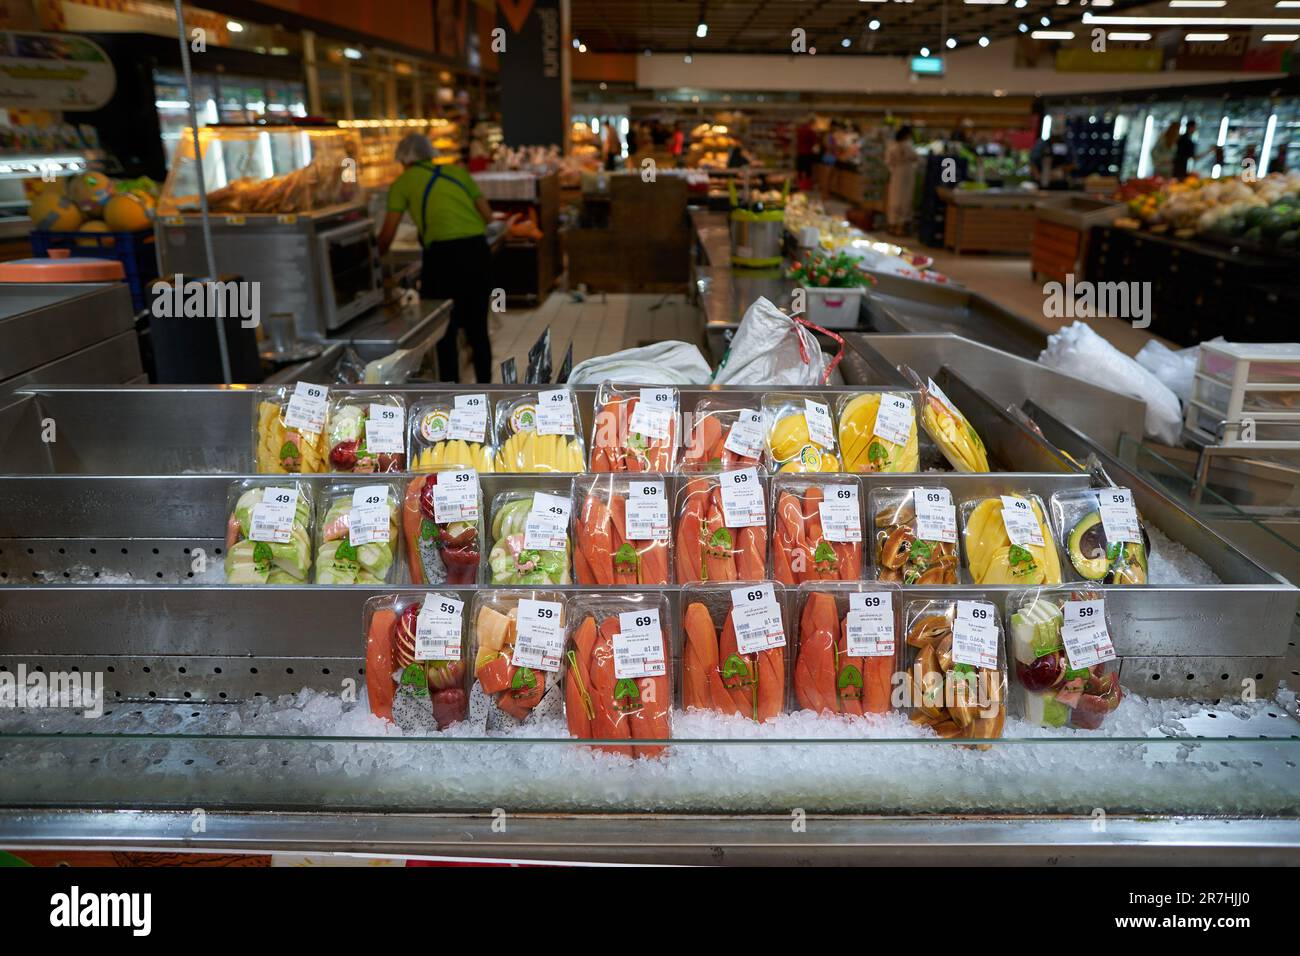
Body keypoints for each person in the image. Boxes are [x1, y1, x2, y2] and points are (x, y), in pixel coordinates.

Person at [377, 133, 494, 383]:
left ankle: (449, 393)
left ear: (403, 159)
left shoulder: (402, 183)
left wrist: (374, 262)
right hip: (476, 251)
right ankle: (486, 389)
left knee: (443, 327)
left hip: (442, 258)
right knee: (478, 327)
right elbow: (487, 215)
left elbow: (387, 234)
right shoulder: (458, 172)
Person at [884, 125, 918, 236]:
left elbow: (888, 161)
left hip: (896, 173)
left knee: (894, 198)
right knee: (905, 199)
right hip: (907, 174)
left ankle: (892, 224)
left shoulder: (892, 146)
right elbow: (916, 157)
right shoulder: (908, 146)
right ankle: (901, 226)